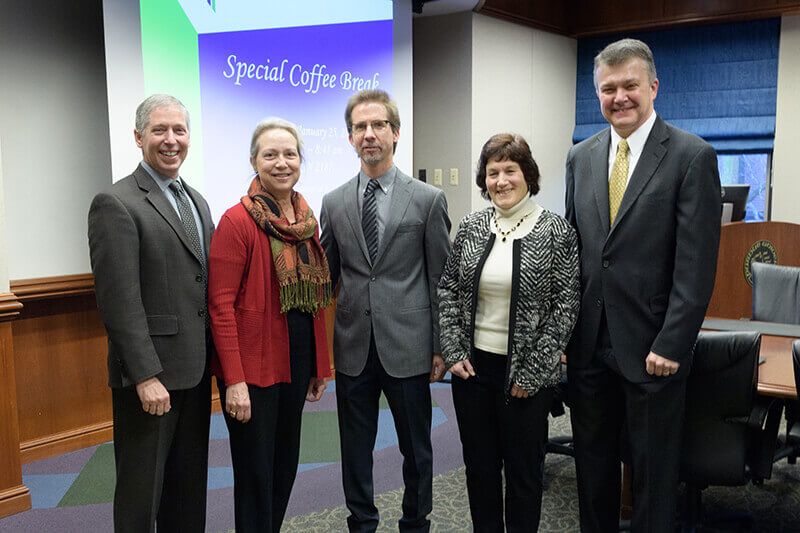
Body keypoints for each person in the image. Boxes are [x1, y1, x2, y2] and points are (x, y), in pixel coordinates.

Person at [565, 38, 721, 532]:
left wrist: (673, 342)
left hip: (654, 349)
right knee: (592, 472)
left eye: (630, 85)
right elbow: (576, 254)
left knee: (654, 479)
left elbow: (696, 264)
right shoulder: (580, 156)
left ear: (653, 86)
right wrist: (567, 336)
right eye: (608, 89)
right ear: (598, 94)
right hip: (589, 348)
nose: (620, 97)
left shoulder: (691, 156)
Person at [320, 89, 452, 532]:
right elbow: (327, 280)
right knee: (354, 448)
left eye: (378, 126)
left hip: (410, 345)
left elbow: (441, 280)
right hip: (354, 347)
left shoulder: (428, 200)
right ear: (350, 138)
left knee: (416, 448)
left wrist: (440, 346)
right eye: (360, 127)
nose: (369, 134)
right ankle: (361, 522)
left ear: (396, 133)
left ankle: (416, 522)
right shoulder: (334, 202)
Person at [438, 133, 580, 532]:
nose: (500, 180)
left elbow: (566, 307)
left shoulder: (556, 232)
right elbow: (447, 288)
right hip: (473, 372)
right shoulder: (470, 226)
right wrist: (452, 349)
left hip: (527, 378)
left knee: (523, 475)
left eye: (509, 170)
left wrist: (532, 372)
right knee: (479, 472)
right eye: (492, 172)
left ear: (527, 175)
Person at [88, 94, 213, 532]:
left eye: (179, 130)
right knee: (141, 499)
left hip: (195, 377)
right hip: (151, 382)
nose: (171, 140)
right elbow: (119, 302)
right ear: (139, 137)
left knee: (187, 495)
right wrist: (145, 376)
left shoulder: (196, 201)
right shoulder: (116, 202)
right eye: (160, 130)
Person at [208, 117, 331, 532]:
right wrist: (234, 380)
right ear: (253, 161)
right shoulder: (236, 222)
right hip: (253, 373)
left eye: (290, 154)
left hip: (294, 366)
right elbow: (220, 307)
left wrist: (318, 366)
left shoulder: (305, 222)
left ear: (300, 160)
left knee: (284, 469)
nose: (282, 163)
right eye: (270, 155)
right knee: (256, 477)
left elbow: (314, 302)